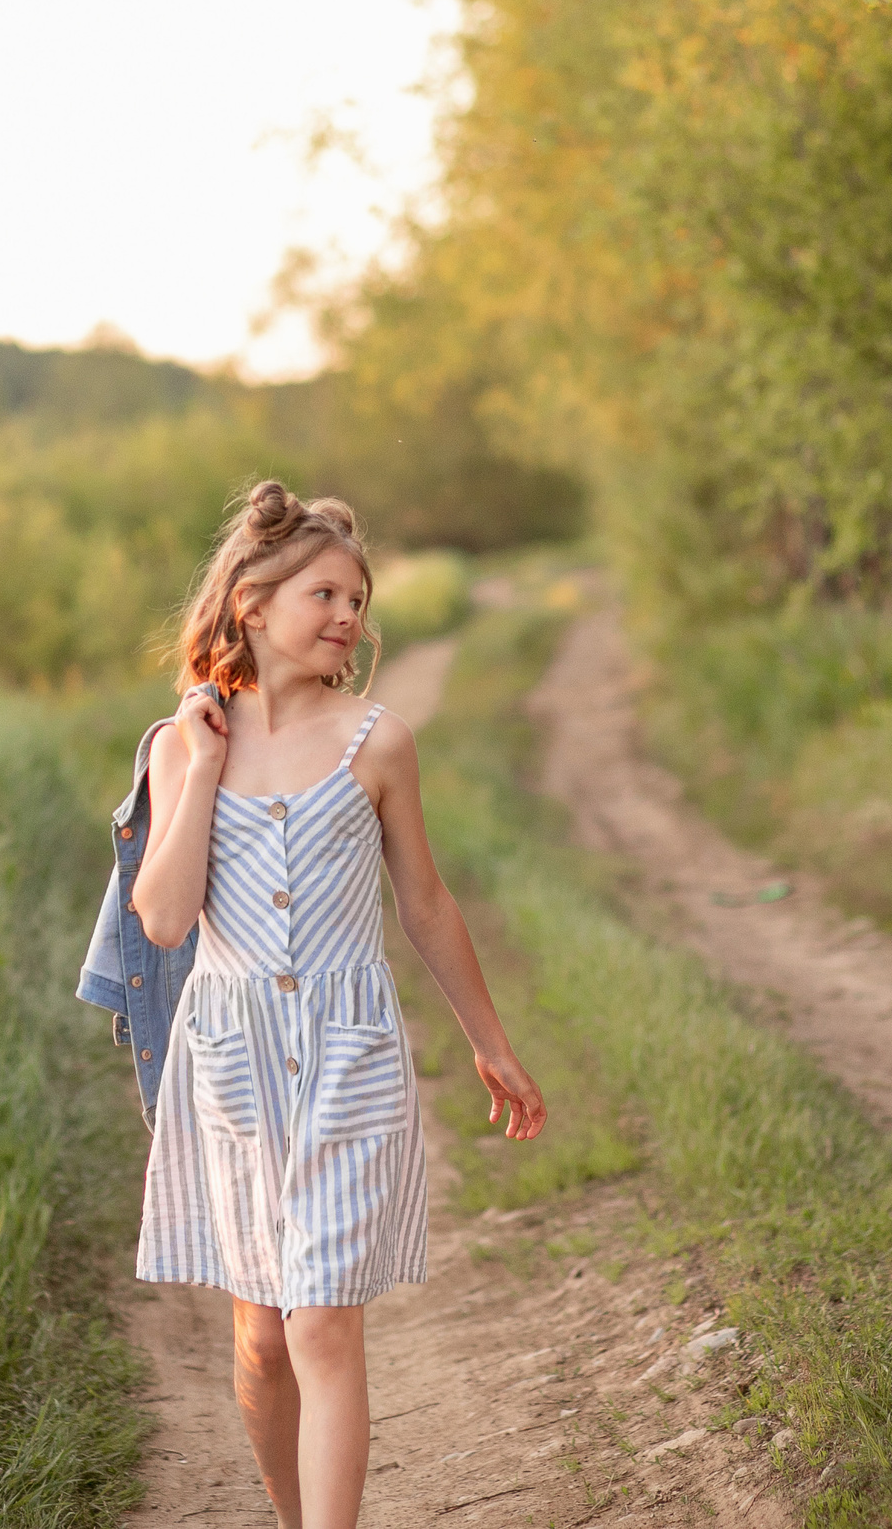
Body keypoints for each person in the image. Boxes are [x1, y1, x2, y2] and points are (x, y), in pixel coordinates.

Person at [131, 480, 548, 1528]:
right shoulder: (179, 747)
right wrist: (202, 764)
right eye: (326, 594)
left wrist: (489, 1042)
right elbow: (166, 921)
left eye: (357, 601)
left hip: (348, 1053)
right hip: (231, 1059)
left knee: (320, 1328)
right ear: (252, 603)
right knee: (262, 1339)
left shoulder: (378, 741)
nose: (348, 618)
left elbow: (426, 904)